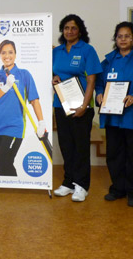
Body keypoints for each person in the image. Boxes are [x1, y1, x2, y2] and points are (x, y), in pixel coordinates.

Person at [95, 22, 133, 207]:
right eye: (119, 36)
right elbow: (98, 83)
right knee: (115, 154)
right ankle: (118, 188)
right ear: (115, 39)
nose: (123, 39)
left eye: (127, 36)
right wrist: (98, 94)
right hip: (112, 117)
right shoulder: (107, 61)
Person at [52, 14, 102, 202]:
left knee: (80, 146)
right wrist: (54, 77)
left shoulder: (87, 50)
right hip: (60, 104)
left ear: (79, 30)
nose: (69, 31)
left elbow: (91, 80)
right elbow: (54, 72)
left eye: (73, 28)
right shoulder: (56, 51)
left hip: (81, 106)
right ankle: (68, 182)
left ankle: (81, 185)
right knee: (66, 145)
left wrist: (84, 105)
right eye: (66, 28)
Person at [0, 40, 47, 176]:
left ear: (15, 54)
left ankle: (14, 190)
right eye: (3, 52)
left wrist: (41, 122)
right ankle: (6, 193)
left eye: (10, 52)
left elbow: (34, 101)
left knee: (5, 163)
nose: (7, 55)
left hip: (14, 127)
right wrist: (6, 87)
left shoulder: (24, 74)